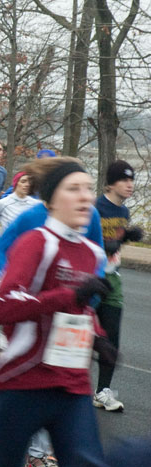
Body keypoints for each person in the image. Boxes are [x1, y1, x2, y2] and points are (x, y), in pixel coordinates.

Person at [0, 157, 115, 467]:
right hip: (23, 382)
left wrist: (98, 337)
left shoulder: (92, 252)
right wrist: (69, 295)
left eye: (88, 189)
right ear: (52, 200)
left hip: (72, 386)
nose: (86, 196)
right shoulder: (36, 243)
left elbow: (80, 309)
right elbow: (3, 307)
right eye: (74, 189)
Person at [93, 160, 142, 412]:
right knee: (82, 336)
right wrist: (105, 246)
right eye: (125, 180)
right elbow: (86, 241)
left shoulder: (123, 212)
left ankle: (102, 391)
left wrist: (128, 237)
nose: (130, 185)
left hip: (113, 278)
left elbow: (116, 242)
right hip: (91, 278)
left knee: (112, 340)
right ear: (111, 183)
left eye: (132, 180)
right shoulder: (95, 208)